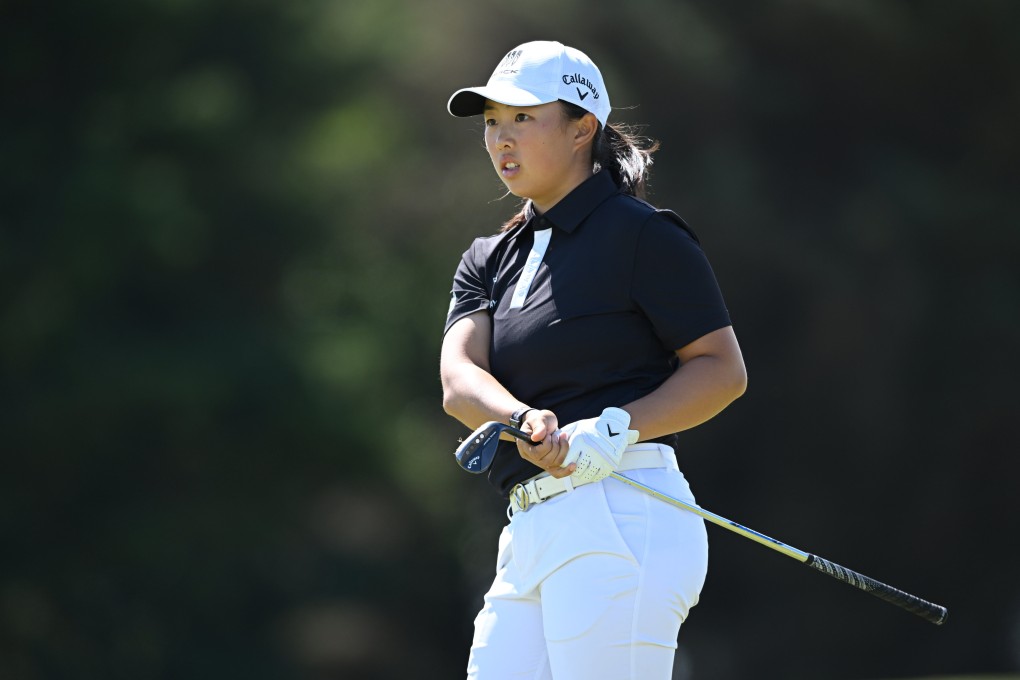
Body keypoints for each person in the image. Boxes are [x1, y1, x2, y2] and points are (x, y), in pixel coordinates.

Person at [440, 40, 747, 680]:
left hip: (623, 509)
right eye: (492, 121)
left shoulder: (642, 234)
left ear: (584, 129)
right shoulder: (488, 257)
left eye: (523, 118)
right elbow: (459, 380)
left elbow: (721, 368)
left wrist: (617, 426)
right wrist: (527, 420)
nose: (501, 138)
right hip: (529, 524)